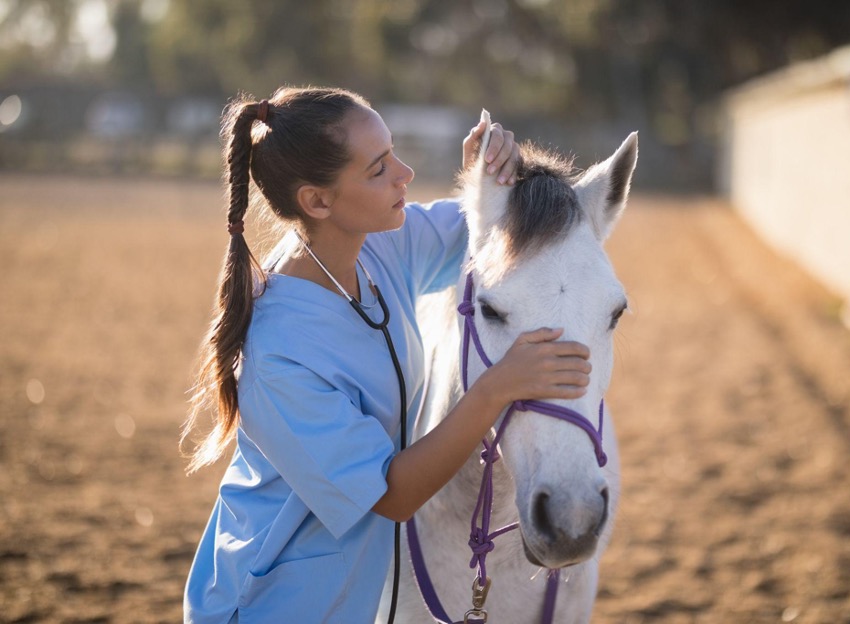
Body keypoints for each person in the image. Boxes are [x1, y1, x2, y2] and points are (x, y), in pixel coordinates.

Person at [181, 86, 592, 623]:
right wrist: (497, 387)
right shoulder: (279, 356)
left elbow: (482, 231)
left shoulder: (375, 244)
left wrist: (486, 180)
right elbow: (393, 496)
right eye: (379, 169)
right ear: (318, 202)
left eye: (393, 152)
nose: (406, 174)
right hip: (269, 606)